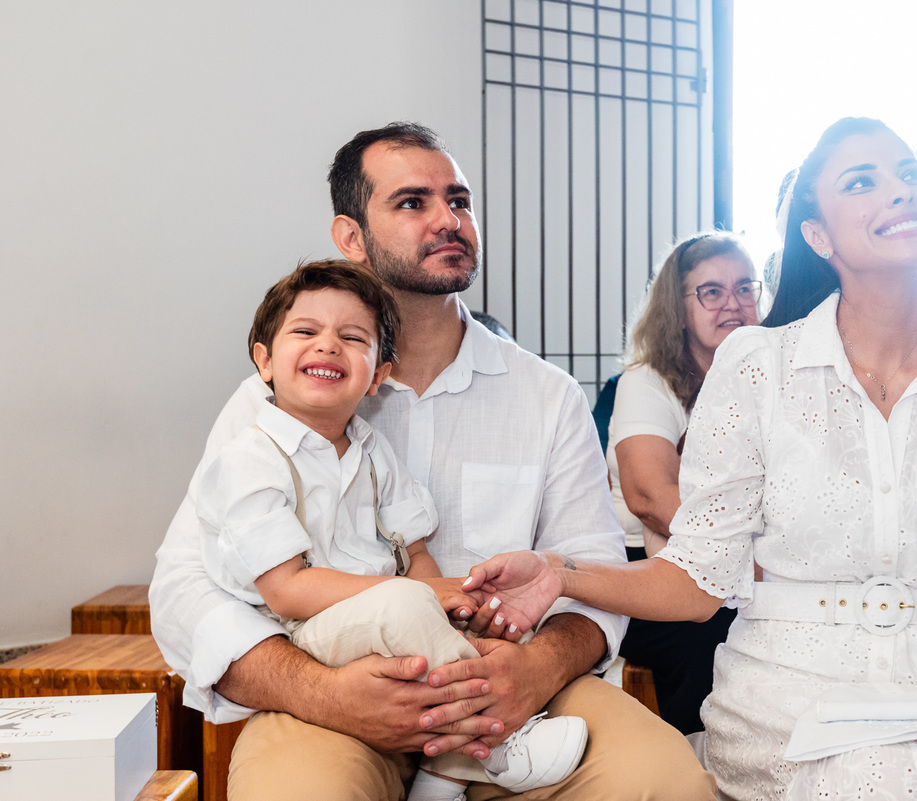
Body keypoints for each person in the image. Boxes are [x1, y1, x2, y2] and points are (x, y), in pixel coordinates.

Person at [463, 117, 917, 800]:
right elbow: (698, 577)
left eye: (910, 174)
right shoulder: (757, 365)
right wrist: (560, 572)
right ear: (817, 235)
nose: (902, 193)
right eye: (862, 182)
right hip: (790, 700)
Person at [149, 122, 718, 801]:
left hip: (518, 694)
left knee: (664, 781)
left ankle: (483, 752)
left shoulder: (546, 396)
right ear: (351, 236)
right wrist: (323, 691)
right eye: (413, 202)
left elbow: (593, 571)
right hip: (331, 691)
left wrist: (531, 673)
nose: (450, 219)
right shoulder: (270, 406)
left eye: (460, 200)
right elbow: (183, 589)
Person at [194, 260, 588, 800]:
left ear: (378, 375)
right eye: (305, 332)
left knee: (460, 623)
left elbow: (416, 547)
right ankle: (497, 739)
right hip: (303, 633)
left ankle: (442, 775)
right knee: (407, 607)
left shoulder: (373, 451)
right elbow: (286, 587)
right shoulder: (248, 461)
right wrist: (419, 594)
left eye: (353, 338)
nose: (328, 346)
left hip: (383, 618)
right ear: (263, 361)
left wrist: (447, 602)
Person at [606, 232, 758, 734]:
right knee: (714, 640)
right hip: (646, 566)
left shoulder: (774, 376)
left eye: (744, 288)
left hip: (748, 563)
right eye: (711, 292)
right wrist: (745, 557)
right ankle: (703, 769)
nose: (732, 304)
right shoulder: (647, 382)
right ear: (678, 307)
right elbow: (649, 498)